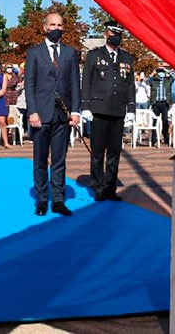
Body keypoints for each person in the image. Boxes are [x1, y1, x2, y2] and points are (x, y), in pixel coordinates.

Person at [25, 12, 81, 216]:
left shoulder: (71, 53)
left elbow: (75, 83)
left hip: (62, 116)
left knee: (59, 160)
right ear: (45, 28)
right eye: (52, 25)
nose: (56, 28)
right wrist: (32, 111)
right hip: (40, 114)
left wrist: (75, 111)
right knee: (40, 160)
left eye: (59, 25)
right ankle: (41, 200)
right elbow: (29, 84)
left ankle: (58, 200)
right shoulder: (34, 52)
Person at [81, 20, 135, 201]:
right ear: (106, 34)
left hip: (118, 109)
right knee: (97, 152)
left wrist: (132, 109)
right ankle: (98, 187)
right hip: (99, 109)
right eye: (113, 33)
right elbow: (86, 82)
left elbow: (130, 85)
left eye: (119, 33)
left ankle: (110, 188)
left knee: (114, 152)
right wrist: (86, 106)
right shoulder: (94, 55)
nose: (116, 37)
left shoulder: (127, 58)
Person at [149, 64, 174, 146]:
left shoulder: (167, 80)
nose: (161, 74)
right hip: (156, 103)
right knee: (154, 122)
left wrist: (167, 70)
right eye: (159, 72)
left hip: (165, 103)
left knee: (165, 122)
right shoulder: (154, 80)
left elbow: (174, 77)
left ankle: (166, 139)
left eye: (162, 72)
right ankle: (154, 140)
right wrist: (153, 73)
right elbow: (146, 81)